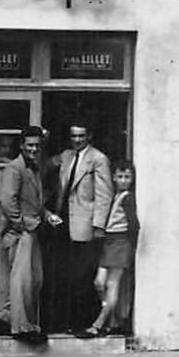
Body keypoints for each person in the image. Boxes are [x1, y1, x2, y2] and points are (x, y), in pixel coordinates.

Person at [0, 126, 61, 345]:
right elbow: (8, 202)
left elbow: (34, 203)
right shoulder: (14, 168)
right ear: (22, 146)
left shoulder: (34, 169)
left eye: (37, 146)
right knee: (24, 280)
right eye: (30, 145)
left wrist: (48, 216)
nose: (34, 149)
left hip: (32, 228)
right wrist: (23, 225)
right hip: (21, 232)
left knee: (34, 278)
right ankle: (23, 329)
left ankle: (4, 319)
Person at [43, 121, 113, 333]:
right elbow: (44, 165)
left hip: (85, 225)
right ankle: (63, 322)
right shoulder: (66, 156)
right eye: (73, 136)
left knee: (82, 275)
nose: (77, 140)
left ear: (89, 136)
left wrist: (98, 225)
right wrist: (44, 140)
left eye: (81, 136)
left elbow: (104, 194)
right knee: (64, 274)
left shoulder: (98, 159)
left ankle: (82, 323)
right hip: (64, 223)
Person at [79, 159, 139, 338]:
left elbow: (134, 225)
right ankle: (111, 320)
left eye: (127, 177)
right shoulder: (116, 195)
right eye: (120, 177)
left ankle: (98, 324)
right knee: (99, 282)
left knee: (112, 285)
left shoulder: (128, 197)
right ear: (113, 177)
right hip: (109, 242)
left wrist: (131, 247)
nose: (123, 180)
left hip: (120, 243)